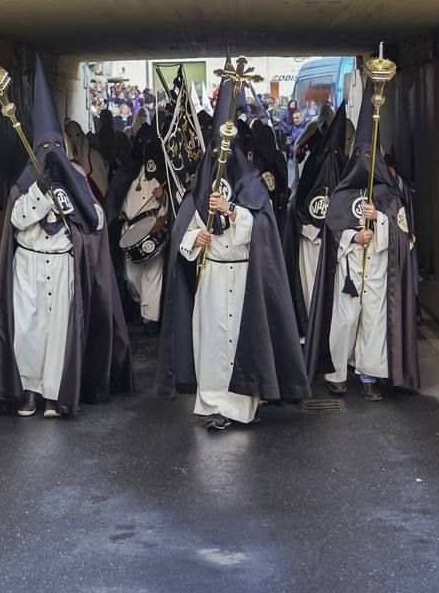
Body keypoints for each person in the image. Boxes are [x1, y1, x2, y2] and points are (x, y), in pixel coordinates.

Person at [0, 56, 135, 417]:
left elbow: (94, 220)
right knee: (30, 333)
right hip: (30, 267)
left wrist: (67, 200)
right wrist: (38, 194)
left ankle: (54, 393)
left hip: (62, 264)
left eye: (55, 148)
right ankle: (29, 392)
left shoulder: (77, 179)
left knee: (59, 333)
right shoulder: (24, 184)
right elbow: (17, 221)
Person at [158, 64, 310, 431]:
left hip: (243, 275)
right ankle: (214, 404)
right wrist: (198, 238)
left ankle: (243, 405)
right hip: (211, 274)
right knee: (211, 340)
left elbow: (261, 226)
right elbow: (183, 233)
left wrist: (231, 211)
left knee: (243, 338)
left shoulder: (251, 180)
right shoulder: (199, 186)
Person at [304, 83, 419, 402]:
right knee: (344, 322)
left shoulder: (388, 195)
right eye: (360, 155)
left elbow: (402, 234)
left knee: (374, 324)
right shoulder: (342, 193)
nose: (365, 160)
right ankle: (337, 373)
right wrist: (354, 235)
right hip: (350, 272)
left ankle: (369, 376)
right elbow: (332, 228)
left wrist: (378, 222)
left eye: (370, 155)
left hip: (379, 272)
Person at [284, 102, 347, 337]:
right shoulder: (312, 155)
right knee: (310, 284)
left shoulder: (342, 164)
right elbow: (297, 154)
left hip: (334, 240)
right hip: (311, 233)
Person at [109, 124, 170, 335]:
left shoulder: (163, 173)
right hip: (129, 229)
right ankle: (140, 305)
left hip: (153, 228)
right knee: (131, 276)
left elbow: (172, 204)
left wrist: (163, 201)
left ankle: (149, 319)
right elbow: (116, 198)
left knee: (153, 275)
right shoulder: (128, 171)